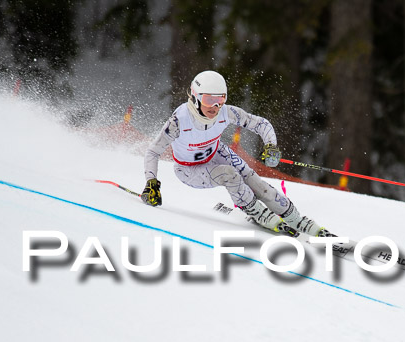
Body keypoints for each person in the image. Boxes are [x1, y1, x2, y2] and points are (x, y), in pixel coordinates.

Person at [141, 70, 332, 237]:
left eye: (221, 99)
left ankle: (296, 219)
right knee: (229, 175)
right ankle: (256, 212)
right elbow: (152, 152)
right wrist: (151, 183)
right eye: (209, 100)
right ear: (195, 97)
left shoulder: (226, 112)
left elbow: (261, 124)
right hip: (188, 169)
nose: (215, 107)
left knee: (256, 182)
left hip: (217, 153)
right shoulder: (179, 121)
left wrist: (271, 145)